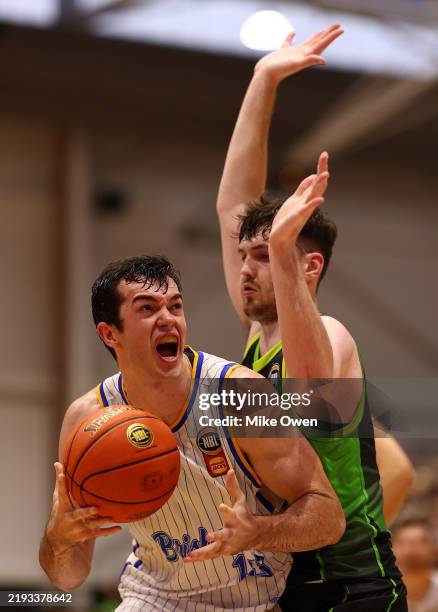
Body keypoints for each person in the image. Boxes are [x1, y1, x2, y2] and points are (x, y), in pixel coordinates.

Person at [216, 24, 412, 610]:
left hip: (355, 586)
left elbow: (307, 392)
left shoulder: (332, 336)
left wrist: (281, 249)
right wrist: (262, 79)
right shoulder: (257, 332)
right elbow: (233, 203)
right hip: (286, 582)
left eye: (264, 256)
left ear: (309, 265)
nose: (245, 269)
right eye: (244, 255)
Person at [39, 256, 345, 611]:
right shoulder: (88, 419)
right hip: (152, 598)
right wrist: (57, 540)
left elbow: (329, 516)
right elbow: (68, 576)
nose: (167, 318)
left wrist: (260, 532)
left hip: (254, 601)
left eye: (176, 306)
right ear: (110, 333)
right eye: (148, 308)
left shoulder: (240, 394)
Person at [392, 518, 438, 612]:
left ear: (434, 550)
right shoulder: (380, 591)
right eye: (402, 543)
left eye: (419, 542)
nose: (410, 549)